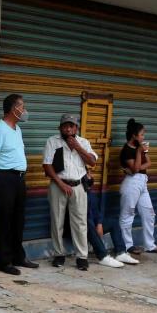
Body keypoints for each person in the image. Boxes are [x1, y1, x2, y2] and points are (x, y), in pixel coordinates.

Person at [0, 94, 38, 275]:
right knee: (4, 221)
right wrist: (1, 174)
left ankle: (18, 256)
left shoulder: (17, 130)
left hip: (19, 179)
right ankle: (4, 262)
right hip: (5, 179)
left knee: (18, 220)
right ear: (13, 109)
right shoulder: (0, 129)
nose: (24, 110)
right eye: (21, 106)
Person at [43, 114, 97, 271]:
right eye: (65, 126)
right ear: (60, 128)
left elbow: (92, 162)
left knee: (80, 222)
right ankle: (59, 254)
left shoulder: (83, 142)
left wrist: (78, 148)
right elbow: (47, 166)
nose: (68, 129)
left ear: (76, 128)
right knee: (57, 221)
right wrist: (60, 184)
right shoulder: (52, 141)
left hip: (78, 186)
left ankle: (82, 257)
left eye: (71, 126)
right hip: (58, 185)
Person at [119, 118, 157, 255]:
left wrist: (137, 165)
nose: (143, 137)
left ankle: (149, 245)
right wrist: (139, 153)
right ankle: (127, 245)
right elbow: (134, 170)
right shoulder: (127, 150)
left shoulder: (141, 147)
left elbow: (148, 164)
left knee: (149, 213)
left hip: (142, 182)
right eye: (141, 134)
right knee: (127, 215)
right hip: (131, 183)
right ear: (134, 135)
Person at [85, 174, 139, 267]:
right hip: (80, 227)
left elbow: (98, 212)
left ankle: (121, 252)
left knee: (113, 222)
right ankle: (103, 256)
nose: (91, 175)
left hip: (93, 225)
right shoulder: (79, 194)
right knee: (89, 224)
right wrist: (96, 225)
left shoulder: (91, 194)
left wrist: (99, 223)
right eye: (88, 174)